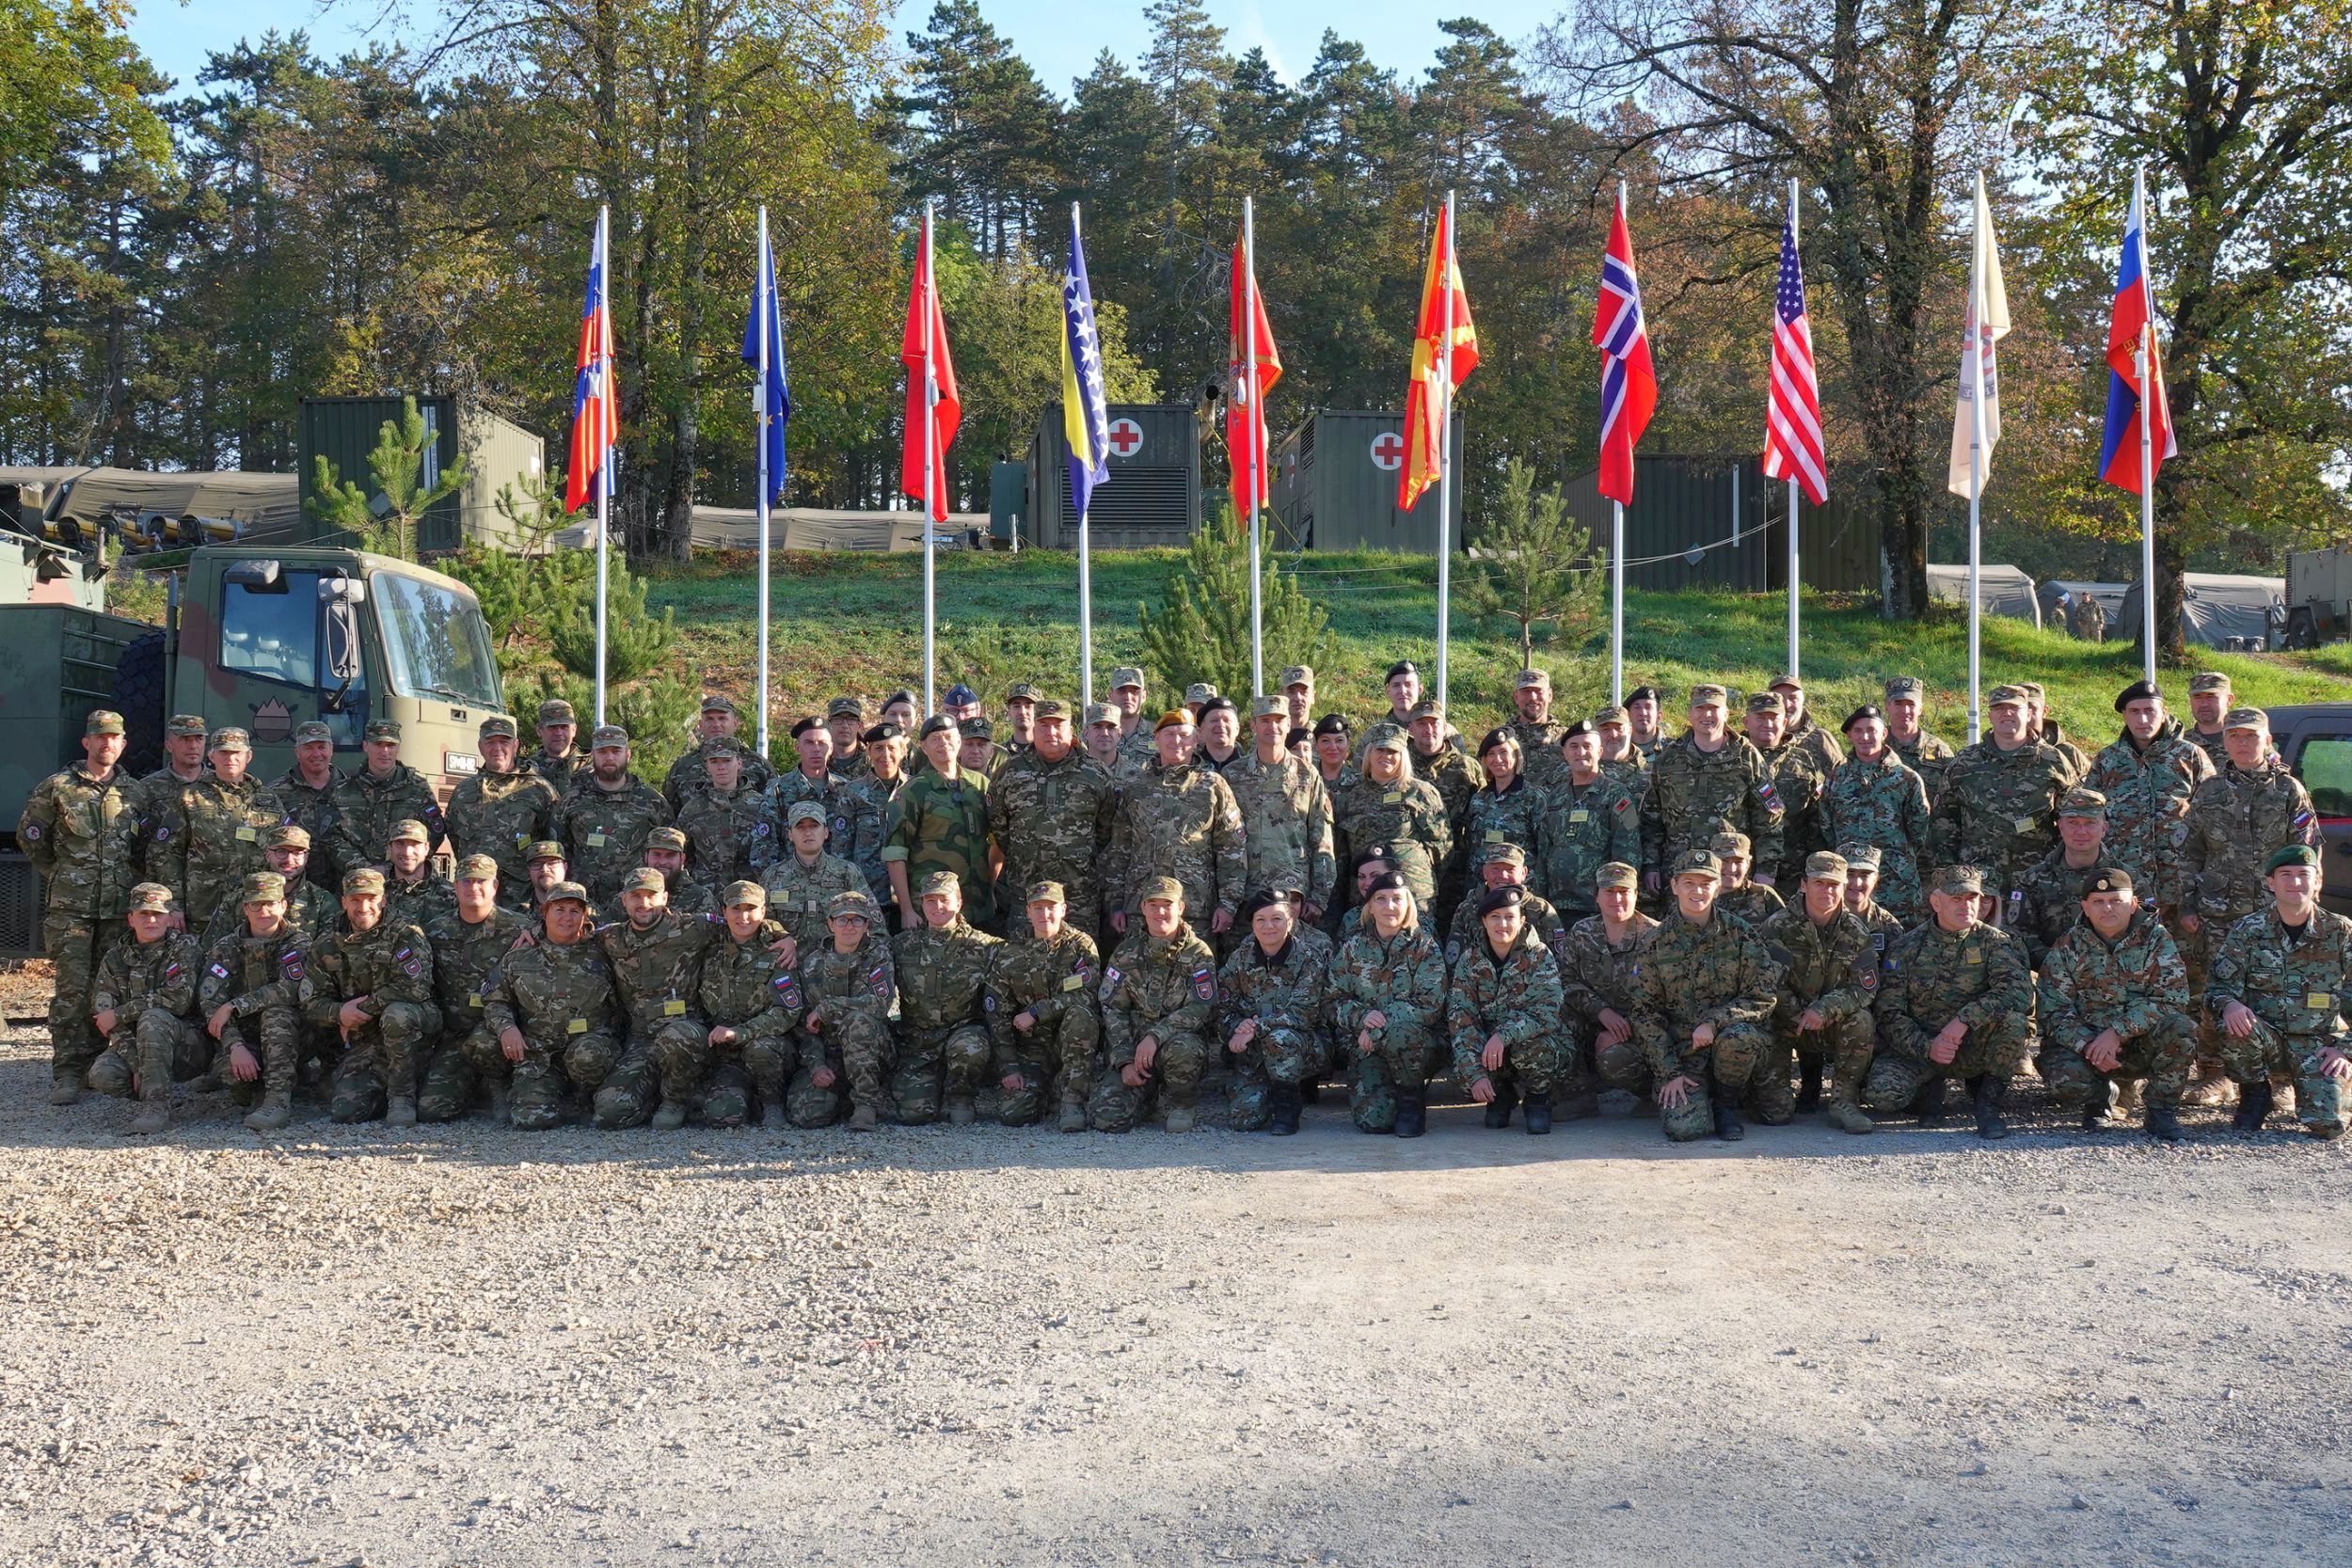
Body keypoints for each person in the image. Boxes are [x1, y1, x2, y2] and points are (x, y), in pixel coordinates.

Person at [2178, 706, 2319, 1085]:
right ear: (2225, 742)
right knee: (2215, 992)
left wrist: (2305, 905)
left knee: (2280, 992)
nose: (2243, 743)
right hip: (2218, 914)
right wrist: (2188, 905)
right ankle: (2213, 1075)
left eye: (2251, 736)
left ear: (2267, 740)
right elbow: (2189, 852)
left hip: (2275, 913)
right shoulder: (2209, 791)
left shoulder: (2288, 790)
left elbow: (2308, 852)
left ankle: (2280, 1080)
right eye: (2235, 736)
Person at [19, 708, 139, 1104]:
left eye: (114, 737)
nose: (107, 743)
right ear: (87, 742)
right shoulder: (57, 788)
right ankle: (67, 1072)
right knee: (71, 992)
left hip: (117, 910)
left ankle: (99, 1064)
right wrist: (61, 874)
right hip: (71, 910)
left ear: (123, 744)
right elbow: (31, 837)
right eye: (100, 737)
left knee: (110, 989)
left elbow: (143, 850)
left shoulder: (135, 793)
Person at [1625, 849, 1782, 1143]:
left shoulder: (1741, 933)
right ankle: (1698, 1097)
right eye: (1689, 883)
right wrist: (1669, 1073)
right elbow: (1644, 1013)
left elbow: (1762, 996)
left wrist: (1713, 1022)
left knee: (1778, 1113)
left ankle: (1726, 1104)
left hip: (1738, 1046)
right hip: (1687, 1055)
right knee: (1684, 1129)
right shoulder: (1655, 942)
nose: (1697, 892)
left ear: (1718, 887)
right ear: (1674, 886)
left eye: (1706, 883)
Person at [1865, 865, 2032, 1139]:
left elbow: (2019, 992)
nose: (1966, 905)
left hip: (1968, 1047)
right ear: (1936, 902)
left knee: (2014, 1022)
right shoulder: (1907, 947)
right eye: (1956, 898)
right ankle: (1930, 1089)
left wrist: (1963, 1021)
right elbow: (1889, 1012)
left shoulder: (1994, 942)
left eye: (1972, 898)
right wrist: (1927, 1047)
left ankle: (1988, 1105)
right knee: (1883, 1095)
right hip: (1920, 1049)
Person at [2037, 865, 2192, 1141]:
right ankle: (2099, 1100)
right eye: (2098, 901)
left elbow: (2173, 999)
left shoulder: (2156, 939)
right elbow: (2053, 1009)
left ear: (2132, 904)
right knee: (2064, 1079)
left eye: (2116, 900)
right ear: (2085, 907)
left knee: (2181, 1028)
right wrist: (2088, 1044)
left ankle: (2160, 1111)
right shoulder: (2068, 946)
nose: (2107, 908)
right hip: (2089, 1047)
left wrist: (2118, 1032)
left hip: (2139, 1043)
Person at [2208, 845, 2352, 1138]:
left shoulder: (2340, 931)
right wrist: (2230, 1004)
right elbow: (2217, 988)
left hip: (2319, 1044)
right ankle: (2255, 1093)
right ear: (2271, 883)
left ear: (2317, 881)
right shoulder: (2248, 930)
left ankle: (2336, 1092)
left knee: (2328, 1127)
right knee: (2232, 1023)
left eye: (2303, 874)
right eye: (2285, 874)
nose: (2295, 882)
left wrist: (2346, 1050)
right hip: (2266, 1038)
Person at [590, 865, 725, 1130]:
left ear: (664, 898)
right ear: (624, 900)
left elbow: (743, 924)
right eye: (636, 896)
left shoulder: (691, 927)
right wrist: (533, 933)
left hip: (685, 1032)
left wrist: (781, 936)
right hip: (642, 1040)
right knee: (609, 1113)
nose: (644, 903)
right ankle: (650, 1097)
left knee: (677, 1037)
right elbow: (568, 934)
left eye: (651, 895)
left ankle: (675, 1101)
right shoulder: (611, 937)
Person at [480, 879, 622, 1131]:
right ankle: (544, 1096)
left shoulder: (603, 953)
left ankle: (583, 1098)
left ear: (585, 916)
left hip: (588, 1048)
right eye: (559, 909)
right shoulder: (519, 955)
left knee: (589, 1055)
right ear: (544, 912)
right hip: (538, 1054)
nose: (567, 917)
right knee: (532, 1120)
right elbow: (495, 999)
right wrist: (506, 1028)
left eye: (575, 911)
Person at [305, 865, 438, 1127]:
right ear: (344, 902)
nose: (363, 907)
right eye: (355, 900)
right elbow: (310, 1002)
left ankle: (402, 1097)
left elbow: (415, 987)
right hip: (365, 1039)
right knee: (345, 1112)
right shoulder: (326, 944)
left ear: (384, 899)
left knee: (396, 1014)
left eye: (371, 899)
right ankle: (381, 1083)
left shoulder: (406, 933)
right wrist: (339, 1013)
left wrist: (361, 1010)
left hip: (416, 1027)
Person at [1758, 853, 1881, 1133]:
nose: (1827, 891)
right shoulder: (1778, 926)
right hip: (1784, 1024)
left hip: (1828, 1022)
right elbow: (1767, 984)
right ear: (1804, 884)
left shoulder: (1855, 931)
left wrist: (1824, 1009)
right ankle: (1760, 1094)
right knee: (1776, 1115)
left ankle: (1844, 1101)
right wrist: (1801, 1014)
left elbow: (1864, 987)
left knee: (1861, 1020)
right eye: (1819, 883)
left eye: (1834, 884)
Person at [1089, 877, 1218, 1134]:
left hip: (1175, 1045)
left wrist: (1156, 1035)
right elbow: (1113, 1009)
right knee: (1107, 1119)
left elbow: (1201, 1008)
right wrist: (1124, 1060)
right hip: (1134, 1050)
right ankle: (1146, 1097)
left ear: (1181, 908)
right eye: (1153, 905)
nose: (1160, 912)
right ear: (1143, 908)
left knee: (1184, 1049)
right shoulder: (1126, 953)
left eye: (1167, 905)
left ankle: (1181, 1103)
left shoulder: (1198, 953)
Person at [1104, 710, 1246, 942]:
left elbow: (1231, 848)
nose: (1176, 741)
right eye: (1169, 734)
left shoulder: (1212, 786)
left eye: (1183, 735)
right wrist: (1116, 903)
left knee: (1195, 962)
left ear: (1196, 739)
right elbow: (1120, 848)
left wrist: (1228, 904)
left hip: (1194, 906)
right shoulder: (1135, 786)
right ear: (1156, 738)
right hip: (1142, 906)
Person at [1329, 872, 1447, 1136]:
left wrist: (1377, 1027)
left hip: (1417, 1044)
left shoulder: (1424, 946)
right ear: (1370, 907)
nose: (1389, 906)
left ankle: (1411, 1101)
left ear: (1408, 905)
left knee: (1401, 1033)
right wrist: (1360, 1017)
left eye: (1397, 899)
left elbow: (1429, 1004)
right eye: (1380, 899)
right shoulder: (1352, 948)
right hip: (1367, 1047)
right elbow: (1332, 999)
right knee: (1375, 1121)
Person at [989, 699, 1119, 939]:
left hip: (1078, 898)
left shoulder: (1096, 774)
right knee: (1024, 959)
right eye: (1044, 725)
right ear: (1034, 728)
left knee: (1080, 959)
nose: (1051, 732)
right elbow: (999, 828)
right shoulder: (1010, 772)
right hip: (1027, 897)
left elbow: (1107, 831)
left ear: (1072, 729)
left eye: (1058, 725)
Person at [1930, 685, 2075, 896]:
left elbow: (2071, 821)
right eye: (1999, 708)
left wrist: (2061, 871)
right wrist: (1947, 874)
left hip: (2037, 880)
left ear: (2028, 713)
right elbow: (1944, 820)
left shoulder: (2053, 761)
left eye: (2014, 708)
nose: (2006, 713)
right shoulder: (1966, 761)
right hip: (1976, 883)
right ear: (1990, 715)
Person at [197, 871, 314, 1132]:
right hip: (246, 1037)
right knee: (235, 1080)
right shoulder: (226, 947)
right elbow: (210, 1001)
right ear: (244, 908)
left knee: (276, 1013)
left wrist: (235, 1006)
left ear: (283, 905)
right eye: (255, 905)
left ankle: (278, 1102)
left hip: (292, 1035)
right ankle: (267, 1085)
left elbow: (289, 989)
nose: (264, 911)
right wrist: (235, 1045)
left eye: (270, 903)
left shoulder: (298, 942)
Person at [86, 881, 206, 1134]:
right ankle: (150, 1088)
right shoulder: (115, 958)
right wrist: (137, 1064)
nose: (151, 920)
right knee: (103, 1074)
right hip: (138, 1044)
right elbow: (105, 1018)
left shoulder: (184, 947)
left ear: (169, 918)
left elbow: (178, 1000)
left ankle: (156, 1107)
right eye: (144, 914)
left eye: (158, 914)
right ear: (131, 919)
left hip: (188, 1044)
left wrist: (120, 1013)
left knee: (153, 1019)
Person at [1447, 885, 1569, 1134]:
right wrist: (1476, 1075)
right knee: (1463, 1069)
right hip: (1490, 1051)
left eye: (1510, 916)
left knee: (1538, 1048)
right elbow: (1462, 1018)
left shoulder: (1539, 956)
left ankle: (1538, 1098)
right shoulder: (1469, 960)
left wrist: (1503, 1035)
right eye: (1495, 916)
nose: (1502, 924)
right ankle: (1501, 1093)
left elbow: (1546, 1013)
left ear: (1522, 920)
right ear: (1484, 921)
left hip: (1531, 1043)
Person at [1642, 685, 1784, 896]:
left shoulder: (1746, 756)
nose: (1707, 715)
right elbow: (1652, 817)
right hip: (1681, 874)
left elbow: (1770, 818)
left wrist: (1766, 869)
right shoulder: (1669, 758)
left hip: (1731, 875)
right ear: (1690, 714)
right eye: (1700, 708)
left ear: (1726, 714)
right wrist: (1651, 864)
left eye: (1714, 709)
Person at [416, 856, 527, 1124]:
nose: (473, 887)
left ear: (495, 886)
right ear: (455, 886)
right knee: (432, 1110)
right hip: (454, 1034)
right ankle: (471, 1087)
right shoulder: (436, 930)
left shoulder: (520, 928)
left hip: (497, 1032)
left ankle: (498, 1083)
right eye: (466, 881)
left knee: (483, 1043)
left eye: (481, 881)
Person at [890, 871, 1005, 1125]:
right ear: (921, 904)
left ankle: (960, 1096)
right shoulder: (902, 945)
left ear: (959, 902)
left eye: (944, 899)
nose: (937, 907)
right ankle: (931, 1084)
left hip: (961, 1032)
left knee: (970, 1047)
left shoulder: (985, 946)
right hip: (918, 1042)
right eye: (930, 901)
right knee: (914, 1115)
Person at [988, 880, 1102, 1131]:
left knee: (1080, 1016)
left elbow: (1088, 994)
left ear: (1063, 909)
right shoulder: (1011, 953)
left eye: (1051, 907)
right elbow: (998, 1015)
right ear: (1028, 912)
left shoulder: (1080, 946)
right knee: (1013, 1114)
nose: (1045, 914)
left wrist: (1037, 1012)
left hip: (1069, 1041)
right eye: (1038, 908)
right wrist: (1009, 1067)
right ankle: (1049, 1092)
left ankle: (1072, 1101)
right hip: (1032, 1048)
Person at [1218, 892, 1331, 1133]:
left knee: (1279, 1037)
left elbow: (1303, 1013)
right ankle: (1264, 1087)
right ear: (1252, 925)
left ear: (1290, 921)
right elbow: (1223, 1008)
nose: (1268, 926)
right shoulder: (1239, 959)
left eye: (1277, 919)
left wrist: (1256, 1028)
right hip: (1253, 1050)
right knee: (1243, 1119)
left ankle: (1287, 1105)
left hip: (1302, 1045)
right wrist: (1236, 1027)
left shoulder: (1309, 959)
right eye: (1260, 920)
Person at [692, 880, 803, 1129]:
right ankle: (743, 1098)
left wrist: (740, 1032)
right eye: (736, 909)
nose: (743, 917)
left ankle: (772, 1104)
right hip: (727, 1055)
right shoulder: (709, 948)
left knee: (761, 1049)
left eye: (751, 909)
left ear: (763, 912)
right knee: (723, 1117)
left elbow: (787, 1010)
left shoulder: (778, 951)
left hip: (769, 1047)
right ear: (724, 911)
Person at [1223, 697, 1337, 925]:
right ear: (1253, 726)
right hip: (1246, 893)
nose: (1272, 726)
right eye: (1265, 720)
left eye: (1278, 720)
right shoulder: (1232, 775)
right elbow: (1223, 840)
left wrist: (1319, 897)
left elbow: (1321, 839)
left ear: (1288, 725)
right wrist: (1226, 899)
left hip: (1293, 894)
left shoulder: (1307, 774)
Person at [1561, 862, 1659, 1121]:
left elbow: (1669, 999)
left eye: (1624, 891)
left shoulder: (1656, 936)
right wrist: (1601, 1012)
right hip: (1593, 1018)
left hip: (1641, 1028)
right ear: (1596, 896)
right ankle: (1577, 1095)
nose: (1617, 899)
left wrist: (1628, 1030)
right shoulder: (1582, 933)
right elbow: (1565, 980)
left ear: (1636, 895)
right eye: (1609, 891)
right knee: (1556, 1018)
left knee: (1613, 1059)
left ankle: (1653, 1094)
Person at [793, 890, 899, 1131]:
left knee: (856, 1021)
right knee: (807, 1115)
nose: (849, 926)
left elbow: (880, 1004)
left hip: (874, 1049)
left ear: (867, 925)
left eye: (857, 920)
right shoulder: (812, 964)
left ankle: (865, 1105)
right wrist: (817, 1065)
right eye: (842, 920)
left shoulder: (879, 956)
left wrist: (828, 1007)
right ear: (830, 924)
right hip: (831, 1053)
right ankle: (842, 1097)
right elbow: (805, 1026)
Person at [167, 728, 289, 934]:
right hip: (204, 909)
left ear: (249, 756)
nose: (230, 758)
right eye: (223, 752)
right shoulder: (190, 797)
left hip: (257, 910)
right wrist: (174, 904)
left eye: (236, 752)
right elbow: (167, 853)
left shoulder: (268, 799)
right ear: (211, 756)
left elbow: (286, 851)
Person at [1819, 705, 1933, 925]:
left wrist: (1896, 859)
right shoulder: (1836, 778)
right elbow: (1827, 827)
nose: (1865, 737)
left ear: (1884, 733)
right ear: (1849, 736)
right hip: (1849, 884)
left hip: (1896, 884)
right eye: (1858, 731)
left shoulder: (1906, 778)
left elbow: (1920, 831)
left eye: (1871, 730)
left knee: (1900, 940)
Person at [882, 715, 998, 932]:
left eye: (948, 737)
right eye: (935, 739)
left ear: (959, 741)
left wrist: (990, 889)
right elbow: (895, 853)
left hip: (978, 907)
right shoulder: (913, 791)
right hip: (933, 910)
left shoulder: (980, 785)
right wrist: (906, 910)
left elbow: (996, 842)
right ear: (924, 748)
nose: (944, 743)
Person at [1331, 724, 1452, 919]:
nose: (1385, 756)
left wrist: (1419, 874)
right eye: (1380, 750)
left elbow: (1441, 847)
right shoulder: (1352, 795)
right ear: (1369, 753)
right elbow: (1343, 849)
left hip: (1412, 892)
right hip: (1364, 892)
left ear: (1402, 756)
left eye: (1392, 751)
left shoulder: (1420, 792)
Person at [1531, 721, 1641, 924]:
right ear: (1565, 753)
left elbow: (1629, 850)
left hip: (1599, 908)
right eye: (1574, 746)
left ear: (1599, 752)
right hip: (1556, 907)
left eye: (1587, 746)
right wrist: (1540, 902)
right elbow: (1544, 852)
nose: (1580, 752)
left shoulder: (1620, 796)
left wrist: (1616, 899)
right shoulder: (1554, 798)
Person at [552, 725, 674, 906]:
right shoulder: (572, 800)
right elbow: (559, 850)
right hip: (583, 902)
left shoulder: (652, 801)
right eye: (602, 751)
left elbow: (668, 853)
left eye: (616, 751)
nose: (609, 757)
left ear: (628, 754)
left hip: (636, 902)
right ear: (593, 755)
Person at [445, 715, 561, 897]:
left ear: (515, 745)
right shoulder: (463, 791)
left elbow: (557, 842)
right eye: (490, 742)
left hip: (522, 897)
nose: (497, 748)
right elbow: (454, 835)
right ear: (480, 747)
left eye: (504, 742)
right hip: (475, 893)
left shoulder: (539, 789)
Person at [2007, 788, 2118, 967]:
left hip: (2114, 976)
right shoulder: (2031, 880)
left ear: (2104, 828)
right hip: (2051, 976)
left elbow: (2146, 936)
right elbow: (2019, 937)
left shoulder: (2127, 879)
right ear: (2060, 827)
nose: (2081, 831)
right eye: (2073, 822)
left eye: (2090, 823)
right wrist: (2061, 965)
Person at [328, 720, 445, 876]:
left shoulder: (418, 789)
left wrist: (395, 868)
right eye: (378, 744)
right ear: (365, 746)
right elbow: (332, 837)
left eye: (391, 745)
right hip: (357, 881)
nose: (385, 752)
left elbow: (434, 833)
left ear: (398, 747)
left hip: (403, 880)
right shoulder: (344, 790)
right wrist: (364, 868)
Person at [759, 800, 868, 961]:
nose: (808, 832)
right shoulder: (772, 876)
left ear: (826, 832)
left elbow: (874, 925)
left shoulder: (847, 872)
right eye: (800, 827)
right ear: (790, 835)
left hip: (837, 966)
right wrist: (783, 936)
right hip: (788, 965)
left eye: (814, 826)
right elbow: (760, 923)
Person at [1740, 691, 1826, 891]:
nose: (1767, 724)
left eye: (1774, 718)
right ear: (1746, 721)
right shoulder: (1732, 758)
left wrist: (1815, 868)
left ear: (1785, 722)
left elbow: (1817, 818)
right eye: (1760, 717)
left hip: (1793, 871)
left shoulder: (1804, 761)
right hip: (1739, 869)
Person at [1441, 847, 1563, 968]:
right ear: (1485, 872)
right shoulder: (1467, 909)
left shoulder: (1541, 911)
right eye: (1495, 869)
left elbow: (1559, 962)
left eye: (1510, 870)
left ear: (1524, 873)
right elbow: (1454, 963)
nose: (1503, 876)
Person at [674, 736, 771, 885]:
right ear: (707, 766)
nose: (721, 767)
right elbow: (681, 854)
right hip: (706, 892)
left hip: (749, 892)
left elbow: (772, 850)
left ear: (739, 763)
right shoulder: (693, 809)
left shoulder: (760, 805)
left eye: (727, 760)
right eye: (714, 762)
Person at [129, 714, 211, 889]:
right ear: (169, 746)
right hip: (162, 886)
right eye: (184, 739)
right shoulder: (147, 788)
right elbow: (134, 843)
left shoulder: (218, 787)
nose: (193, 746)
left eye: (199, 738)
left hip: (208, 888)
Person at [1458, 730, 1543, 895]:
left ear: (1516, 756)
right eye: (1491, 754)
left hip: (1519, 889)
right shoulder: (1478, 799)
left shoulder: (1533, 797)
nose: (1497, 759)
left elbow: (1544, 848)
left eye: (1504, 752)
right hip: (1480, 888)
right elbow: (1469, 844)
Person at [663, 693, 773, 809]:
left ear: (735, 723)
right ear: (700, 725)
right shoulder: (682, 767)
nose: (716, 724)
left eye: (722, 718)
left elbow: (774, 807)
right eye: (709, 719)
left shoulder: (759, 765)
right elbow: (670, 813)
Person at [271, 720, 345, 887]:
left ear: (331, 749)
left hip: (344, 889)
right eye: (308, 748)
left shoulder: (352, 790)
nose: (316, 754)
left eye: (321, 747)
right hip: (295, 889)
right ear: (297, 751)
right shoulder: (276, 792)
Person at [846, 721, 911, 911]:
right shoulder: (853, 792)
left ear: (903, 751)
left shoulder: (915, 789)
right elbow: (842, 849)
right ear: (869, 752)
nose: (886, 754)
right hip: (868, 895)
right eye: (879, 748)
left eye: (892, 748)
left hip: (910, 893)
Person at [1882, 676, 1957, 802]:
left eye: (1911, 704)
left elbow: (1952, 798)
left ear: (1920, 709)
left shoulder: (1939, 750)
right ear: (1887, 706)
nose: (1905, 710)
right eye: (1898, 704)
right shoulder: (1875, 747)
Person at [382, 817, 456, 927]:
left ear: (426, 848)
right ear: (390, 848)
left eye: (415, 844)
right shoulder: (376, 891)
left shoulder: (450, 895)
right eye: (400, 844)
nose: (407, 852)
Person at [1769, 673, 1845, 776]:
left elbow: (1841, 779)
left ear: (1802, 701)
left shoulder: (1821, 739)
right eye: (1780, 698)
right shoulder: (1757, 736)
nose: (1786, 704)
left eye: (1793, 698)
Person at [1505, 670, 1568, 790]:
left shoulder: (1568, 739)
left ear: (1550, 695)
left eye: (1538, 691)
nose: (1533, 697)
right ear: (1516, 697)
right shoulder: (1502, 738)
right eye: (1526, 691)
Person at [1838, 843, 1908, 951]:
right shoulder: (1822, 918)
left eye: (1865, 875)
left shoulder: (1888, 926)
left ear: (1876, 879)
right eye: (1850, 874)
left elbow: (1896, 961)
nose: (1857, 883)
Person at [1709, 831, 1785, 926]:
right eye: (1724, 861)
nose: (1731, 868)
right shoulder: (1699, 896)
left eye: (1738, 862)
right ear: (1711, 863)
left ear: (1748, 864)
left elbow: (1785, 929)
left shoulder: (1763, 894)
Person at [641, 826, 712, 915]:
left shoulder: (701, 898)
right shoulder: (632, 894)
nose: (663, 862)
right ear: (646, 857)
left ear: (682, 859)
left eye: (670, 855)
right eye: (657, 854)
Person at [526, 699, 588, 797]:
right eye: (552, 727)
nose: (559, 733)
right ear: (539, 730)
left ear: (574, 730)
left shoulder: (592, 766)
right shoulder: (527, 770)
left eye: (564, 727)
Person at [1106, 666, 1155, 775]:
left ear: (1144, 696)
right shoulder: (1097, 735)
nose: (1128, 697)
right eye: (1121, 691)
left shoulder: (1159, 735)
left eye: (1134, 691)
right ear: (1110, 695)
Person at [2184, 672, 2233, 774]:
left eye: (2211, 696)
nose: (2204, 703)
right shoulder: (2179, 745)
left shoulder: (2246, 742)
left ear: (2229, 700)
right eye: (2197, 696)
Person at [1193, 697, 1244, 773]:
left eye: (1226, 720)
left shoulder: (1252, 768)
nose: (1221, 725)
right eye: (1214, 720)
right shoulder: (1189, 767)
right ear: (1203, 728)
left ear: (1237, 728)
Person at [826, 697, 871, 781]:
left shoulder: (872, 761)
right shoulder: (818, 759)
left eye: (851, 719)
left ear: (859, 726)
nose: (845, 725)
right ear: (829, 724)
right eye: (838, 719)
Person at [1625, 686, 1672, 764]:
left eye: (1648, 707)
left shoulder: (1675, 750)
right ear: (1628, 715)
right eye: (1637, 707)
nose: (1643, 713)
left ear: (1659, 716)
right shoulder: (1617, 749)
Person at [1000, 683, 1040, 755]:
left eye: (1028, 706)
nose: (1022, 712)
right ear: (1009, 712)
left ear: (1037, 711)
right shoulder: (999, 754)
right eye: (1016, 706)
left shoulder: (1047, 751)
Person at [1279, 665, 1316, 734]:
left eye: (1304, 692)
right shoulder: (1274, 735)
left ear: (1313, 697)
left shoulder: (1321, 735)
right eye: (1291, 692)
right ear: (1281, 695)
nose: (1298, 697)